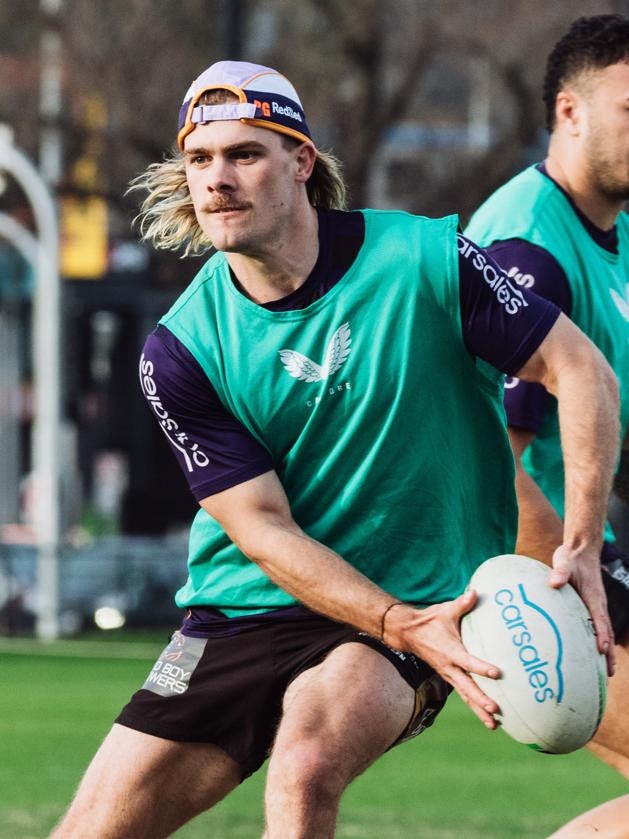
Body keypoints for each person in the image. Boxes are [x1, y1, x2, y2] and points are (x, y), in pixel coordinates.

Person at [51, 60, 619, 839]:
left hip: (415, 601)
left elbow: (578, 368)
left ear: (300, 162)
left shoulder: (426, 260)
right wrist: (389, 616)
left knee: (305, 765)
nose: (217, 178)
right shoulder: (179, 348)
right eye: (200, 159)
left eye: (244, 154)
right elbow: (262, 529)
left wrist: (580, 542)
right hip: (242, 609)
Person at [465, 13, 629, 837]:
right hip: (538, 566)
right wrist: (588, 587)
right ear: (569, 112)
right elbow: (496, 465)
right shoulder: (528, 246)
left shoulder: (614, 233)